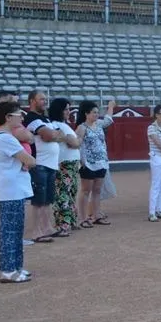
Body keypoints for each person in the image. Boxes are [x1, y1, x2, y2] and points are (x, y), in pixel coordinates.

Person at [0, 102, 36, 283]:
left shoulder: (1, 136)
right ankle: (9, 270)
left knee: (15, 231)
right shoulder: (4, 138)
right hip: (11, 190)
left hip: (12, 189)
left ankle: (15, 267)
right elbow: (30, 160)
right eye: (19, 114)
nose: (22, 118)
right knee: (11, 231)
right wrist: (27, 161)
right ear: (8, 117)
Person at [23, 90, 64, 243]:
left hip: (49, 164)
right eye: (41, 99)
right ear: (32, 101)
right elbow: (50, 135)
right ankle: (36, 231)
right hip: (39, 163)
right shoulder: (32, 118)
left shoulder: (44, 119)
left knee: (47, 199)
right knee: (39, 200)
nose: (44, 102)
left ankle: (47, 228)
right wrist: (54, 135)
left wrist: (54, 135)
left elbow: (58, 136)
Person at [76, 99, 116, 228]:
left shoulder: (98, 124)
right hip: (88, 163)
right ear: (86, 114)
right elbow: (78, 145)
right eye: (94, 112)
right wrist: (81, 161)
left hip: (101, 162)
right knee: (85, 190)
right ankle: (83, 218)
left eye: (97, 112)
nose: (96, 115)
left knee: (97, 190)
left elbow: (109, 120)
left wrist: (110, 107)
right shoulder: (81, 128)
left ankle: (96, 215)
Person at [49, 98, 80, 237]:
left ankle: (70, 221)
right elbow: (75, 142)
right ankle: (64, 225)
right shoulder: (55, 125)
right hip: (64, 163)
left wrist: (72, 140)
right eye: (66, 109)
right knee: (64, 193)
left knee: (70, 192)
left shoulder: (63, 125)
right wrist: (73, 140)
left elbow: (75, 142)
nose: (69, 111)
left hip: (71, 162)